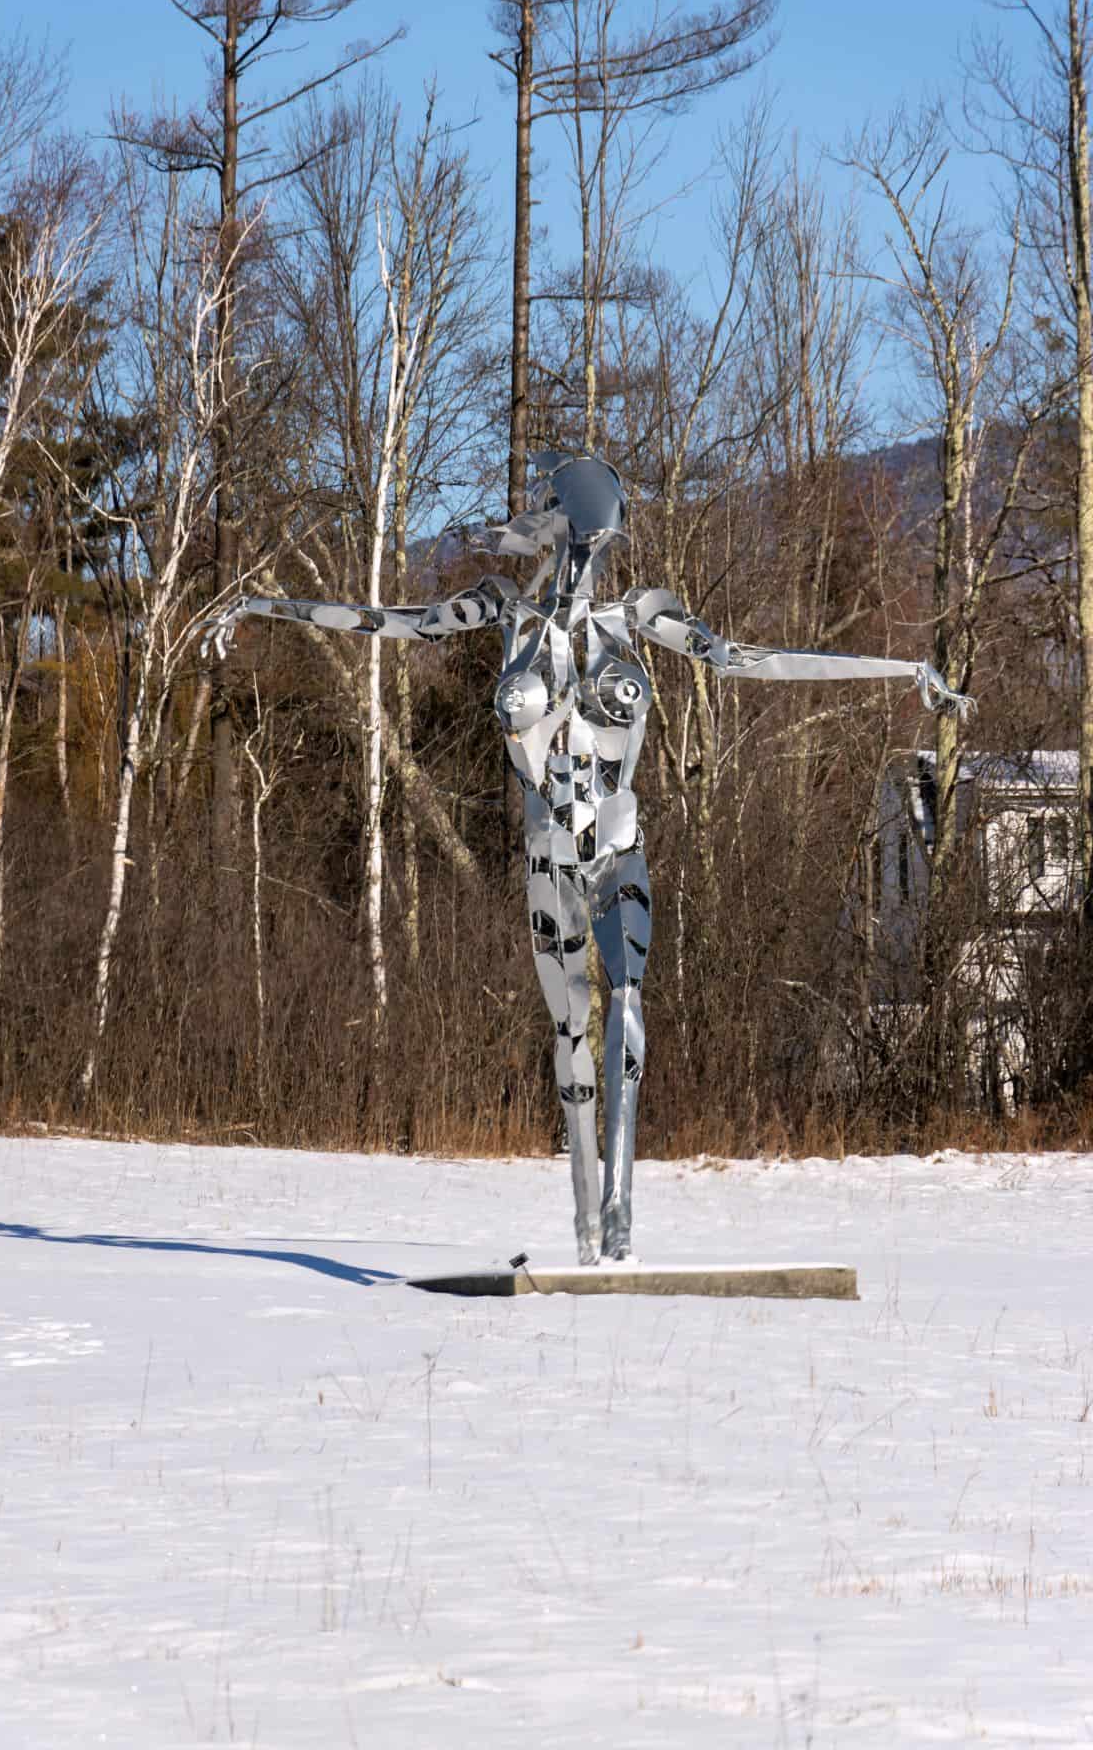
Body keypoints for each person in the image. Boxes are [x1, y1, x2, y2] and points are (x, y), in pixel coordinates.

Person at [205, 451, 969, 1264]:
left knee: (628, 1003)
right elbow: (388, 619)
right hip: (547, 857)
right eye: (579, 529)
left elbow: (750, 659)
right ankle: (583, 1224)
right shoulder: (503, 610)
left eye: (596, 533)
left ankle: (620, 1212)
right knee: (571, 1029)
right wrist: (268, 604)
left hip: (616, 843)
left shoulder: (637, 617)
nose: (588, 549)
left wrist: (901, 667)